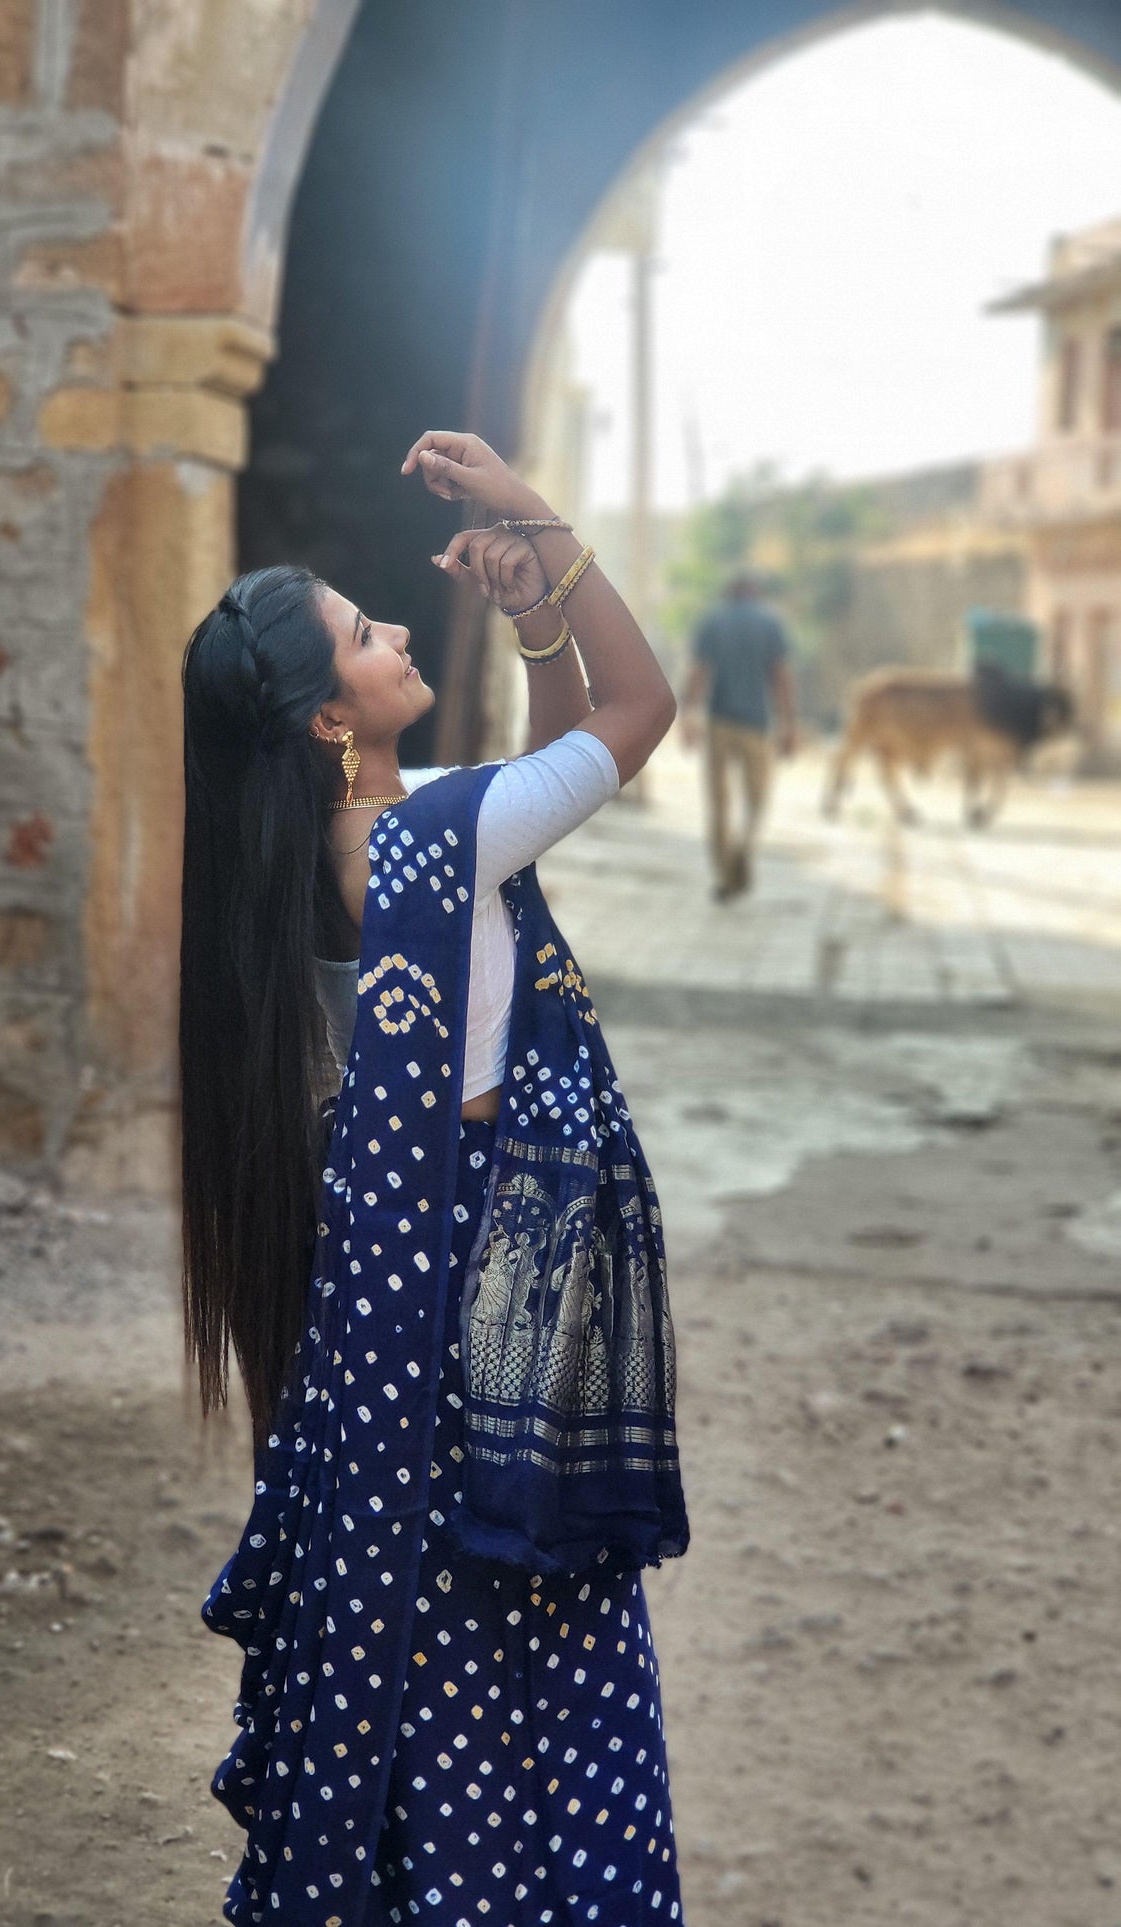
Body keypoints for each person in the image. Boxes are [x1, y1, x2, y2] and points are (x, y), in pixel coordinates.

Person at [180, 428, 689, 1927]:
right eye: (365, 631)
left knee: (448, 1632)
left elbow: (533, 767)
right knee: (528, 1620)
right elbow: (644, 707)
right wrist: (545, 522)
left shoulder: (367, 844)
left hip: (404, 1329)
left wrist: (530, 611)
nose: (397, 629)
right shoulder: (437, 839)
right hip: (494, 1310)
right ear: (335, 711)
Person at [679, 569, 798, 901]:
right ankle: (743, 850)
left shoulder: (713, 621)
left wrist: (688, 714)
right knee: (757, 799)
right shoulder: (770, 623)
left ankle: (724, 873)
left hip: (719, 722)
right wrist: (789, 725)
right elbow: (781, 676)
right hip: (756, 725)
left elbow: (699, 672)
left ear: (729, 592)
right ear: (756, 591)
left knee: (719, 802)